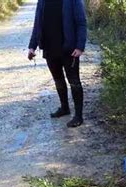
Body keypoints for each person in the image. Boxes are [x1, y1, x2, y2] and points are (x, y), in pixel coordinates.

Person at [28, 0, 87, 128]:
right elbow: (37, 24)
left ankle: (78, 116)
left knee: (74, 81)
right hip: (49, 48)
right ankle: (64, 108)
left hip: (69, 50)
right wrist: (32, 46)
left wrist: (80, 46)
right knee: (58, 80)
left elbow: (81, 23)